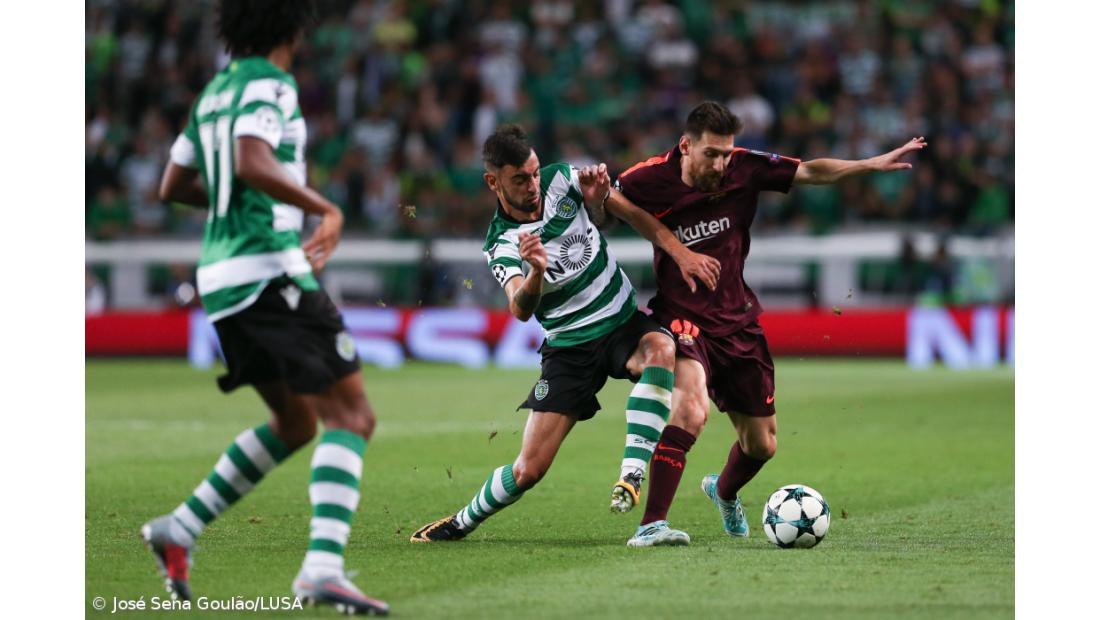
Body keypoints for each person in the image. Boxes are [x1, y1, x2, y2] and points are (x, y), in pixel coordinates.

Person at [142, 1, 389, 614]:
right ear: (293, 24)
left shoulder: (214, 92)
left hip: (222, 280)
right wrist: (324, 209)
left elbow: (172, 186)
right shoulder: (270, 84)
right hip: (268, 271)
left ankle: (180, 526)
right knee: (352, 415)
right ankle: (321, 569)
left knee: (297, 423)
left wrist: (232, 203)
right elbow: (252, 160)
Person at [613, 101, 925, 546]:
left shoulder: (744, 168)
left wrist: (870, 164)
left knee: (762, 445)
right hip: (681, 318)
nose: (721, 163)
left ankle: (722, 492)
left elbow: (812, 172)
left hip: (738, 322)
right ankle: (651, 524)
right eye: (711, 154)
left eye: (726, 153)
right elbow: (609, 199)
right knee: (690, 407)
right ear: (686, 146)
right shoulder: (650, 177)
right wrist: (670, 245)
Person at [410, 124, 720, 542]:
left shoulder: (562, 179)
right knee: (529, 469)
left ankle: (632, 472)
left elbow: (623, 215)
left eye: (535, 172)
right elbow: (520, 309)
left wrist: (599, 204)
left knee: (660, 347)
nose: (533, 185)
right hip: (570, 347)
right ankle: (460, 522)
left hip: (620, 321)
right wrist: (536, 271)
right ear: (493, 181)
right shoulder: (502, 242)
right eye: (520, 179)